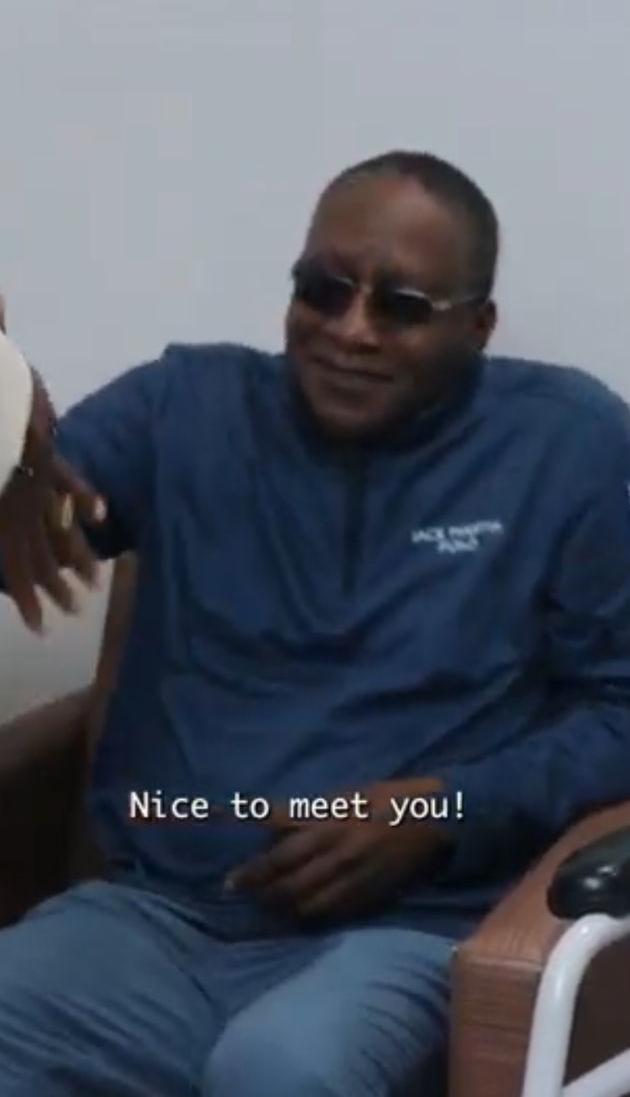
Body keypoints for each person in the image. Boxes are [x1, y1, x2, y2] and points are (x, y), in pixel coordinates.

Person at [1, 150, 630, 1097]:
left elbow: (620, 710)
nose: (351, 330)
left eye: (402, 307)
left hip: (407, 934)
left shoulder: (565, 446)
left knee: (280, 1068)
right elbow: (27, 531)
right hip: (160, 919)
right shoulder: (182, 409)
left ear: (478, 326)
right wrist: (8, 444)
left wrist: (439, 811)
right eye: (322, 291)